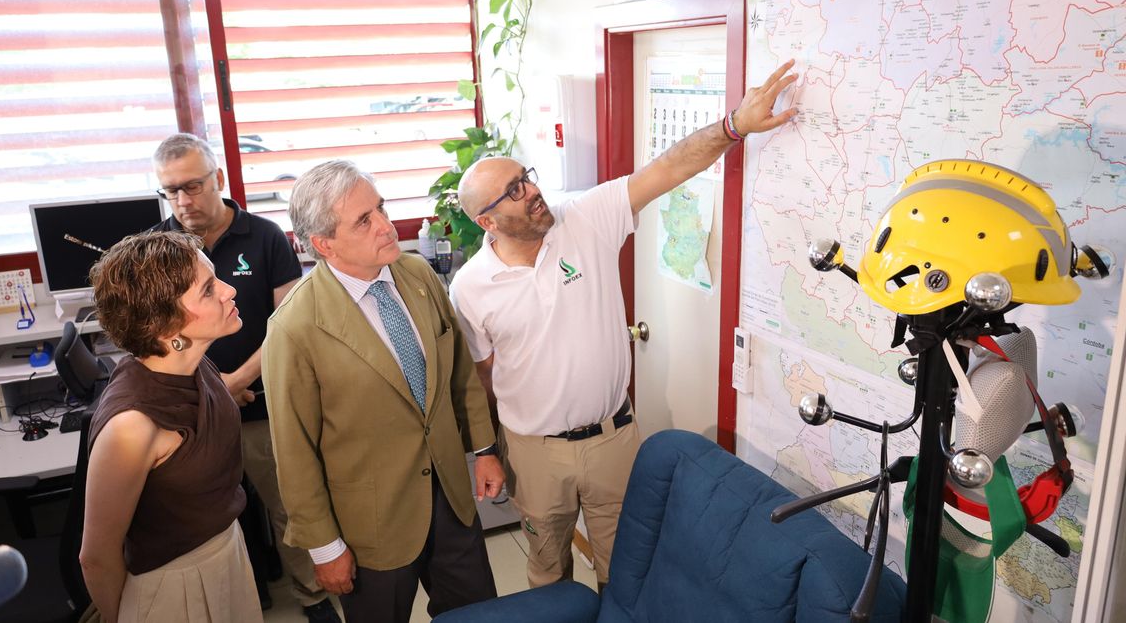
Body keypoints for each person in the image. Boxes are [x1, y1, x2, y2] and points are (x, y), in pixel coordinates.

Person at [449, 60, 799, 589]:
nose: (531, 192)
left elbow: (667, 168)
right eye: (513, 192)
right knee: (548, 571)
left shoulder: (584, 218)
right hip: (534, 450)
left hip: (614, 438)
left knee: (628, 567)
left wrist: (735, 125)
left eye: (526, 178)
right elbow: (481, 375)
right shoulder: (470, 286)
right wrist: (488, 450)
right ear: (487, 221)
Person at [263, 160, 504, 623]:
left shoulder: (418, 276)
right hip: (370, 525)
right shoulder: (294, 327)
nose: (386, 226)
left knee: (480, 616)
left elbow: (458, 376)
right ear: (323, 244)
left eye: (380, 209)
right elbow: (294, 453)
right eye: (364, 220)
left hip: (451, 501)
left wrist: (486, 449)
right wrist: (324, 547)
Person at [150, 134, 340, 622]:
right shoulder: (161, 248)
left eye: (192, 186)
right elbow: (159, 334)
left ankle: (312, 595)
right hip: (195, 414)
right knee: (211, 520)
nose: (182, 201)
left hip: (262, 404)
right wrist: (215, 389)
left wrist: (235, 381)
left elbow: (288, 324)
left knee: (287, 507)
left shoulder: (265, 237)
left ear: (218, 179)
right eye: (170, 191)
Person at [79, 230, 262, 622]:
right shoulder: (131, 426)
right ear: (166, 327)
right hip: (171, 589)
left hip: (227, 554)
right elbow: (96, 557)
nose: (229, 291)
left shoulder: (195, 364)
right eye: (210, 289)